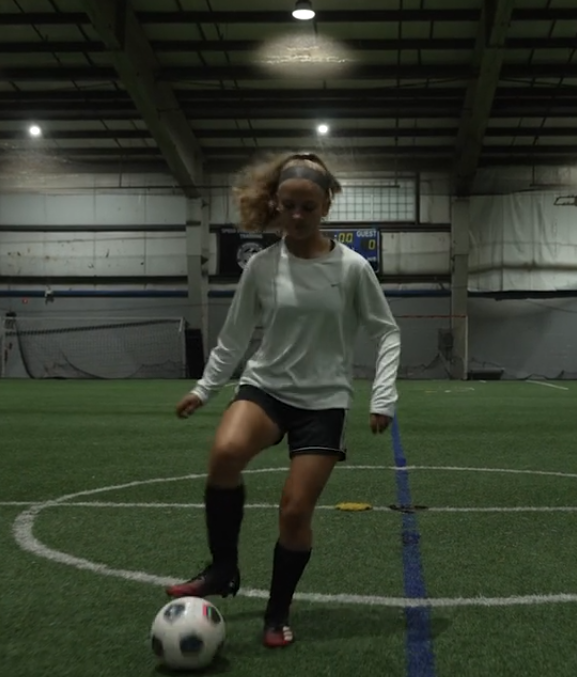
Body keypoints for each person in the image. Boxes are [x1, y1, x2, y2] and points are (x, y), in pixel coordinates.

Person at [166, 151, 401, 649]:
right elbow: (233, 338)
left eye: (308, 208)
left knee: (295, 512)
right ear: (276, 204)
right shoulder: (262, 266)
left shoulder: (353, 268)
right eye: (288, 206)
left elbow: (387, 332)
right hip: (266, 387)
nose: (297, 217)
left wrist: (383, 396)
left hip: (325, 401)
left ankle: (277, 611)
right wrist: (204, 389)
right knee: (225, 454)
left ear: (326, 206)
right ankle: (223, 569)